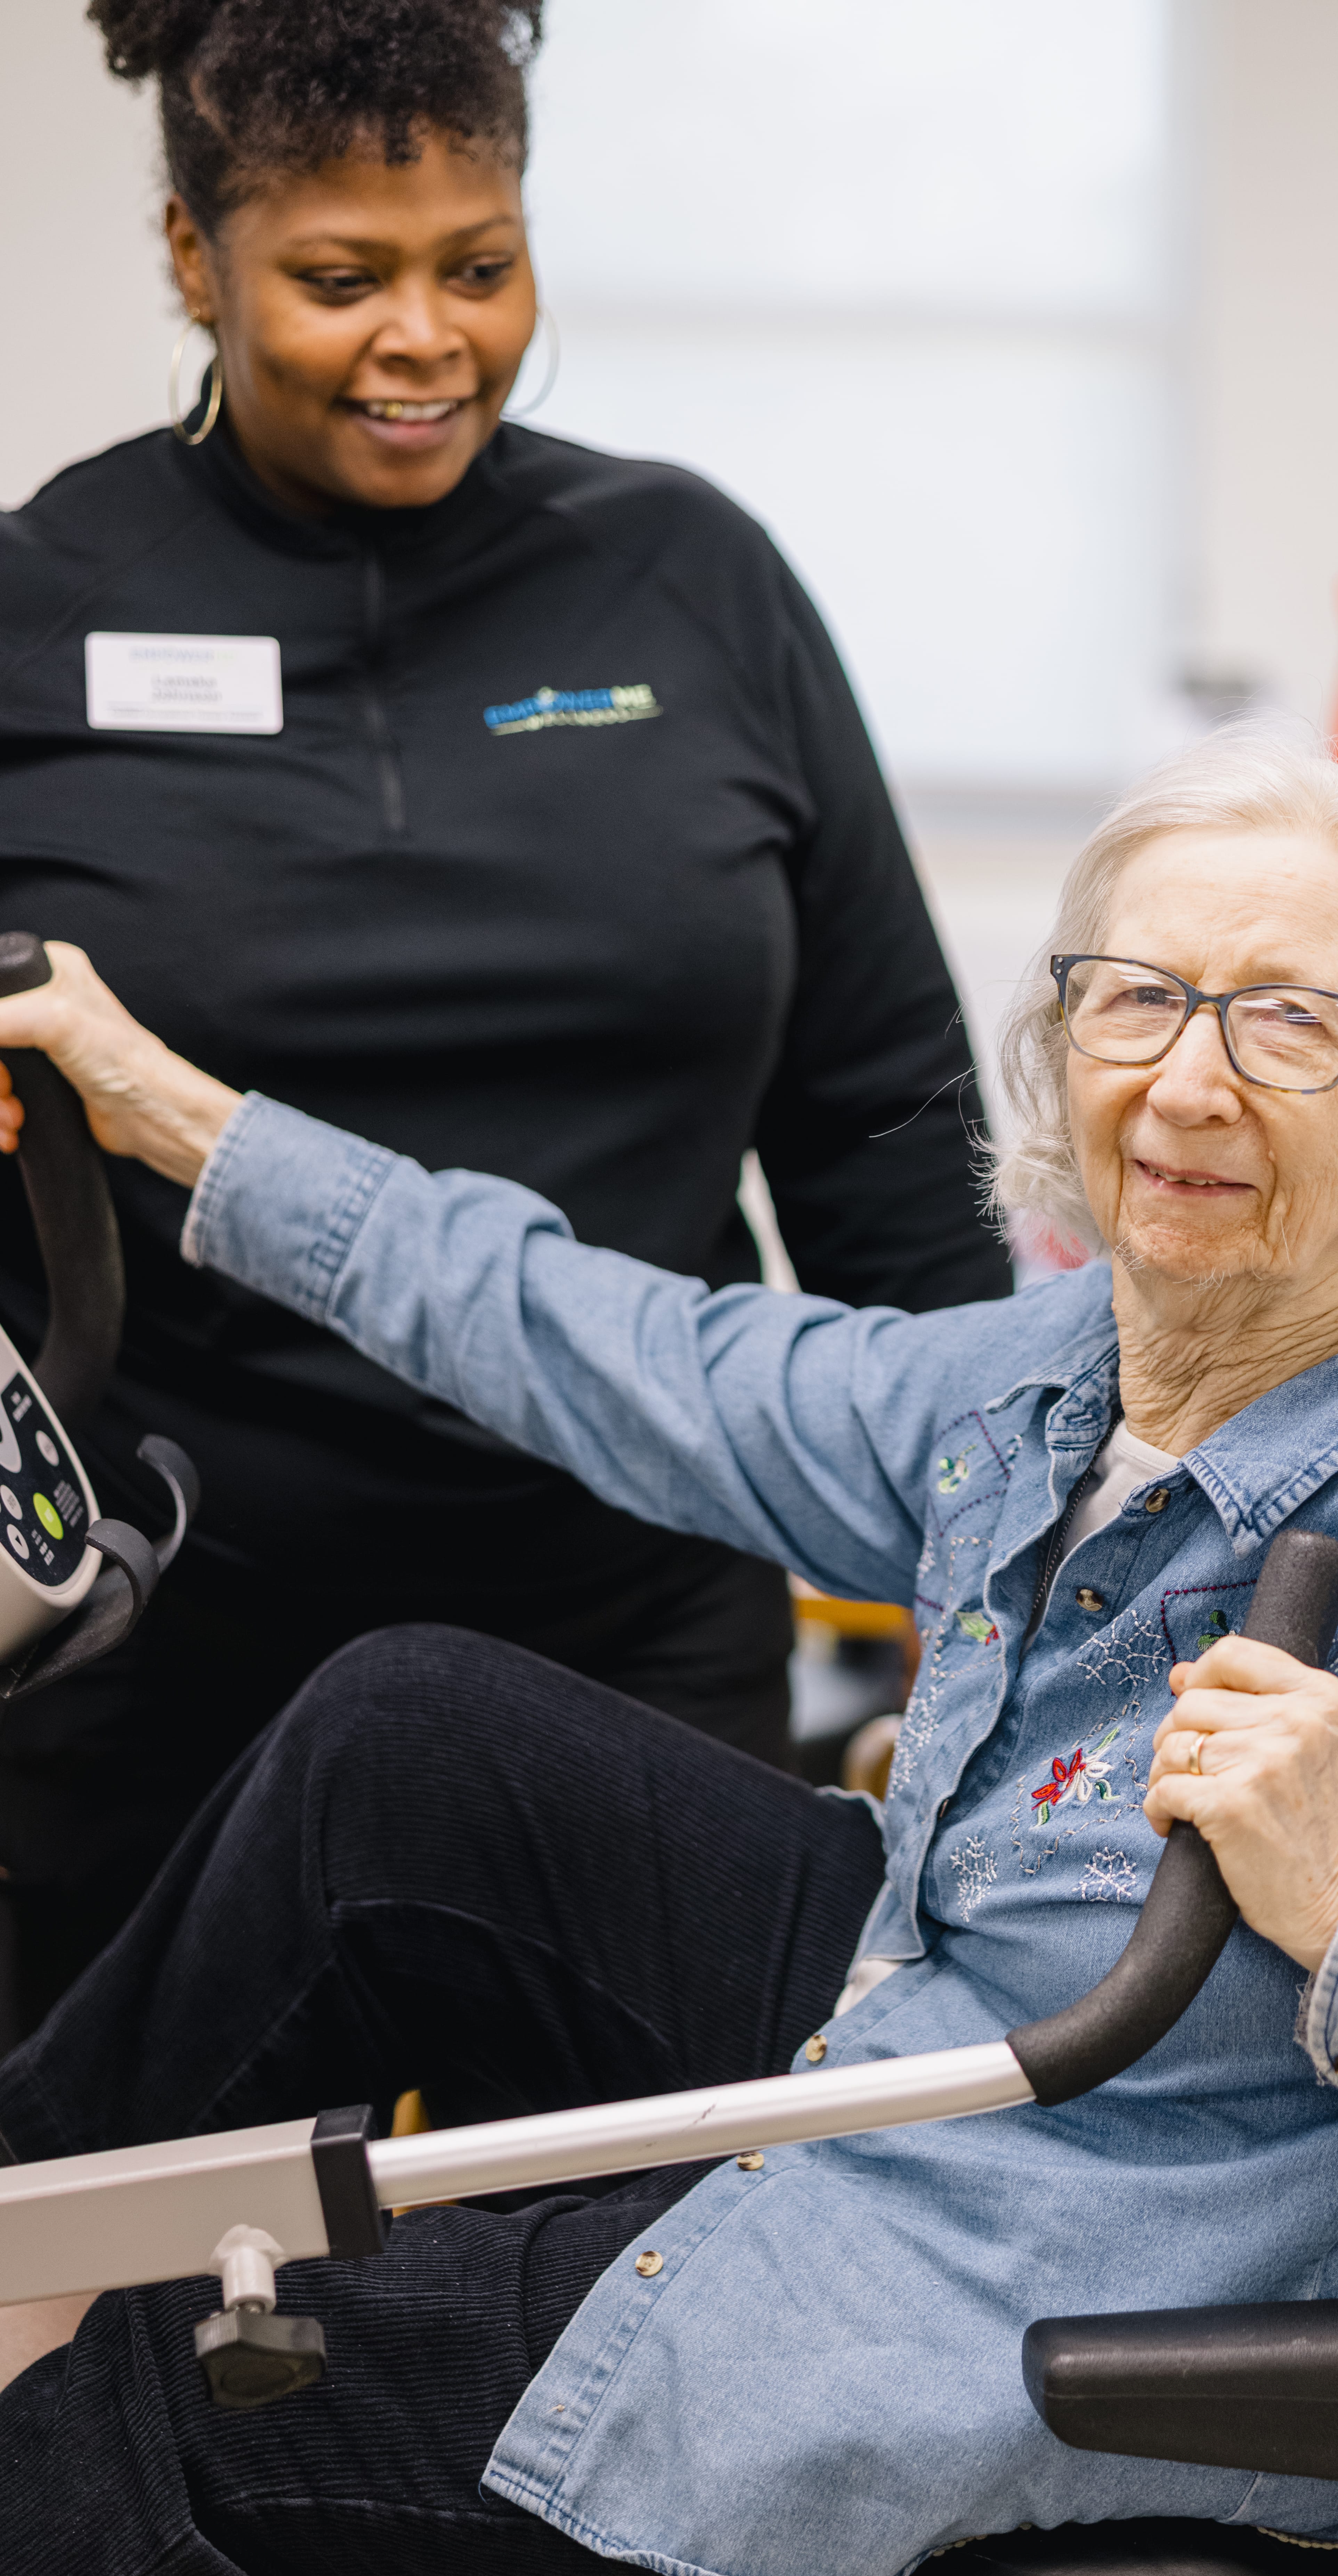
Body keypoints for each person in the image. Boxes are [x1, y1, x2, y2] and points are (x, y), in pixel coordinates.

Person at [1, 736, 1338, 2576]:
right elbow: (631, 1347)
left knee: (211, 2386)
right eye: (1136, 999)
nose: (1187, 1079)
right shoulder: (1063, 1385)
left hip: (1109, 2259)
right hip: (958, 2044)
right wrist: (171, 1115)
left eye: (1293, 1023)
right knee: (410, 1750)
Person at [0, 0, 1006, 2014]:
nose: (425, 340)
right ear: (196, 260)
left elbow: (887, 1124)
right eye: (339, 278)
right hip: (174, 1634)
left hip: (637, 1611)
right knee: (158, 2309)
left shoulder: (689, 581)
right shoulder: (41, 609)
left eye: (481, 265)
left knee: (632, 2270)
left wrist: (1004, 1570)